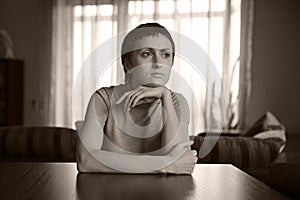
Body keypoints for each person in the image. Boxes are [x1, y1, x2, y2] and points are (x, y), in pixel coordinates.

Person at [76, 22, 197, 174]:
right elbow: (86, 161)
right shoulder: (103, 99)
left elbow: (181, 164)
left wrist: (165, 96)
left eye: (165, 55)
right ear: (128, 64)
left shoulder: (176, 101)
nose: (158, 63)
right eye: (146, 54)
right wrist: (164, 165)